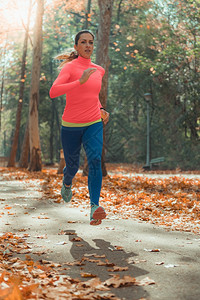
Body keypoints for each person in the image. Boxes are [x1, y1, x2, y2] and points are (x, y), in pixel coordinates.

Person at [49, 30, 109, 226]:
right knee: (72, 166)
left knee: (95, 160)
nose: (88, 45)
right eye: (83, 42)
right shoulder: (70, 68)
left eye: (91, 42)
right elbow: (53, 91)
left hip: (93, 122)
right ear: (76, 46)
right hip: (71, 125)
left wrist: (101, 109)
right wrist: (79, 81)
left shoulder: (98, 70)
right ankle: (67, 183)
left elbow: (93, 95)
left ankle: (94, 207)